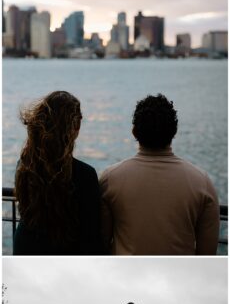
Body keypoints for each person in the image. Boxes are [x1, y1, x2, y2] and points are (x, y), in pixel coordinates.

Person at [100, 93, 220, 255]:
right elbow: (208, 253)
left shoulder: (110, 179)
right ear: (174, 132)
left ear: (134, 132)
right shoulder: (201, 182)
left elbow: (100, 244)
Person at [13, 90, 102, 255]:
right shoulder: (85, 174)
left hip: (25, 247)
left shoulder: (24, 165)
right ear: (76, 126)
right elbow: (92, 232)